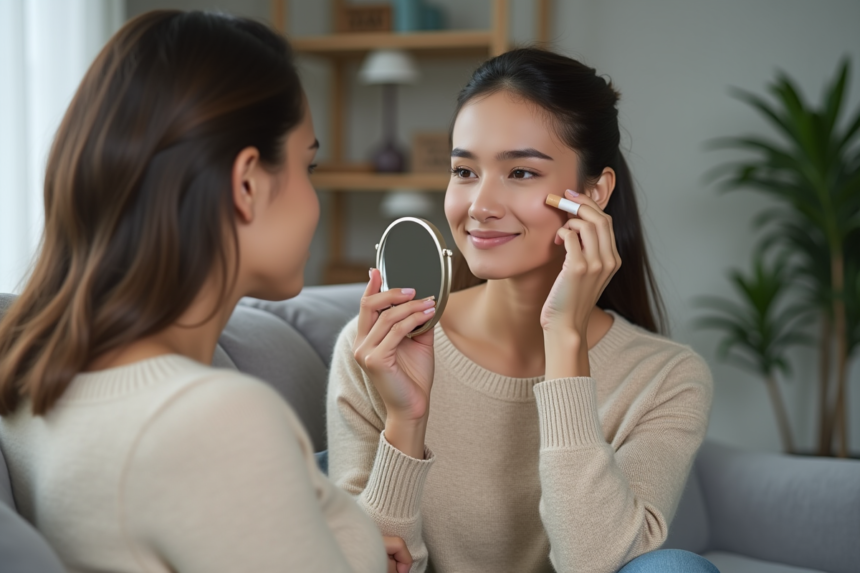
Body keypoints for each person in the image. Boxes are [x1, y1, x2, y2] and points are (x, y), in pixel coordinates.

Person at [0, 10, 410, 573]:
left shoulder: (34, 374)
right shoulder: (213, 420)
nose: (311, 198)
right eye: (307, 166)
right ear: (246, 184)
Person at [327, 48, 718, 573]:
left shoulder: (667, 379)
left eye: (521, 172)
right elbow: (362, 564)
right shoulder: (377, 346)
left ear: (595, 193)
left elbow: (596, 563)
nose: (480, 205)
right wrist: (406, 419)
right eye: (464, 170)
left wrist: (565, 343)